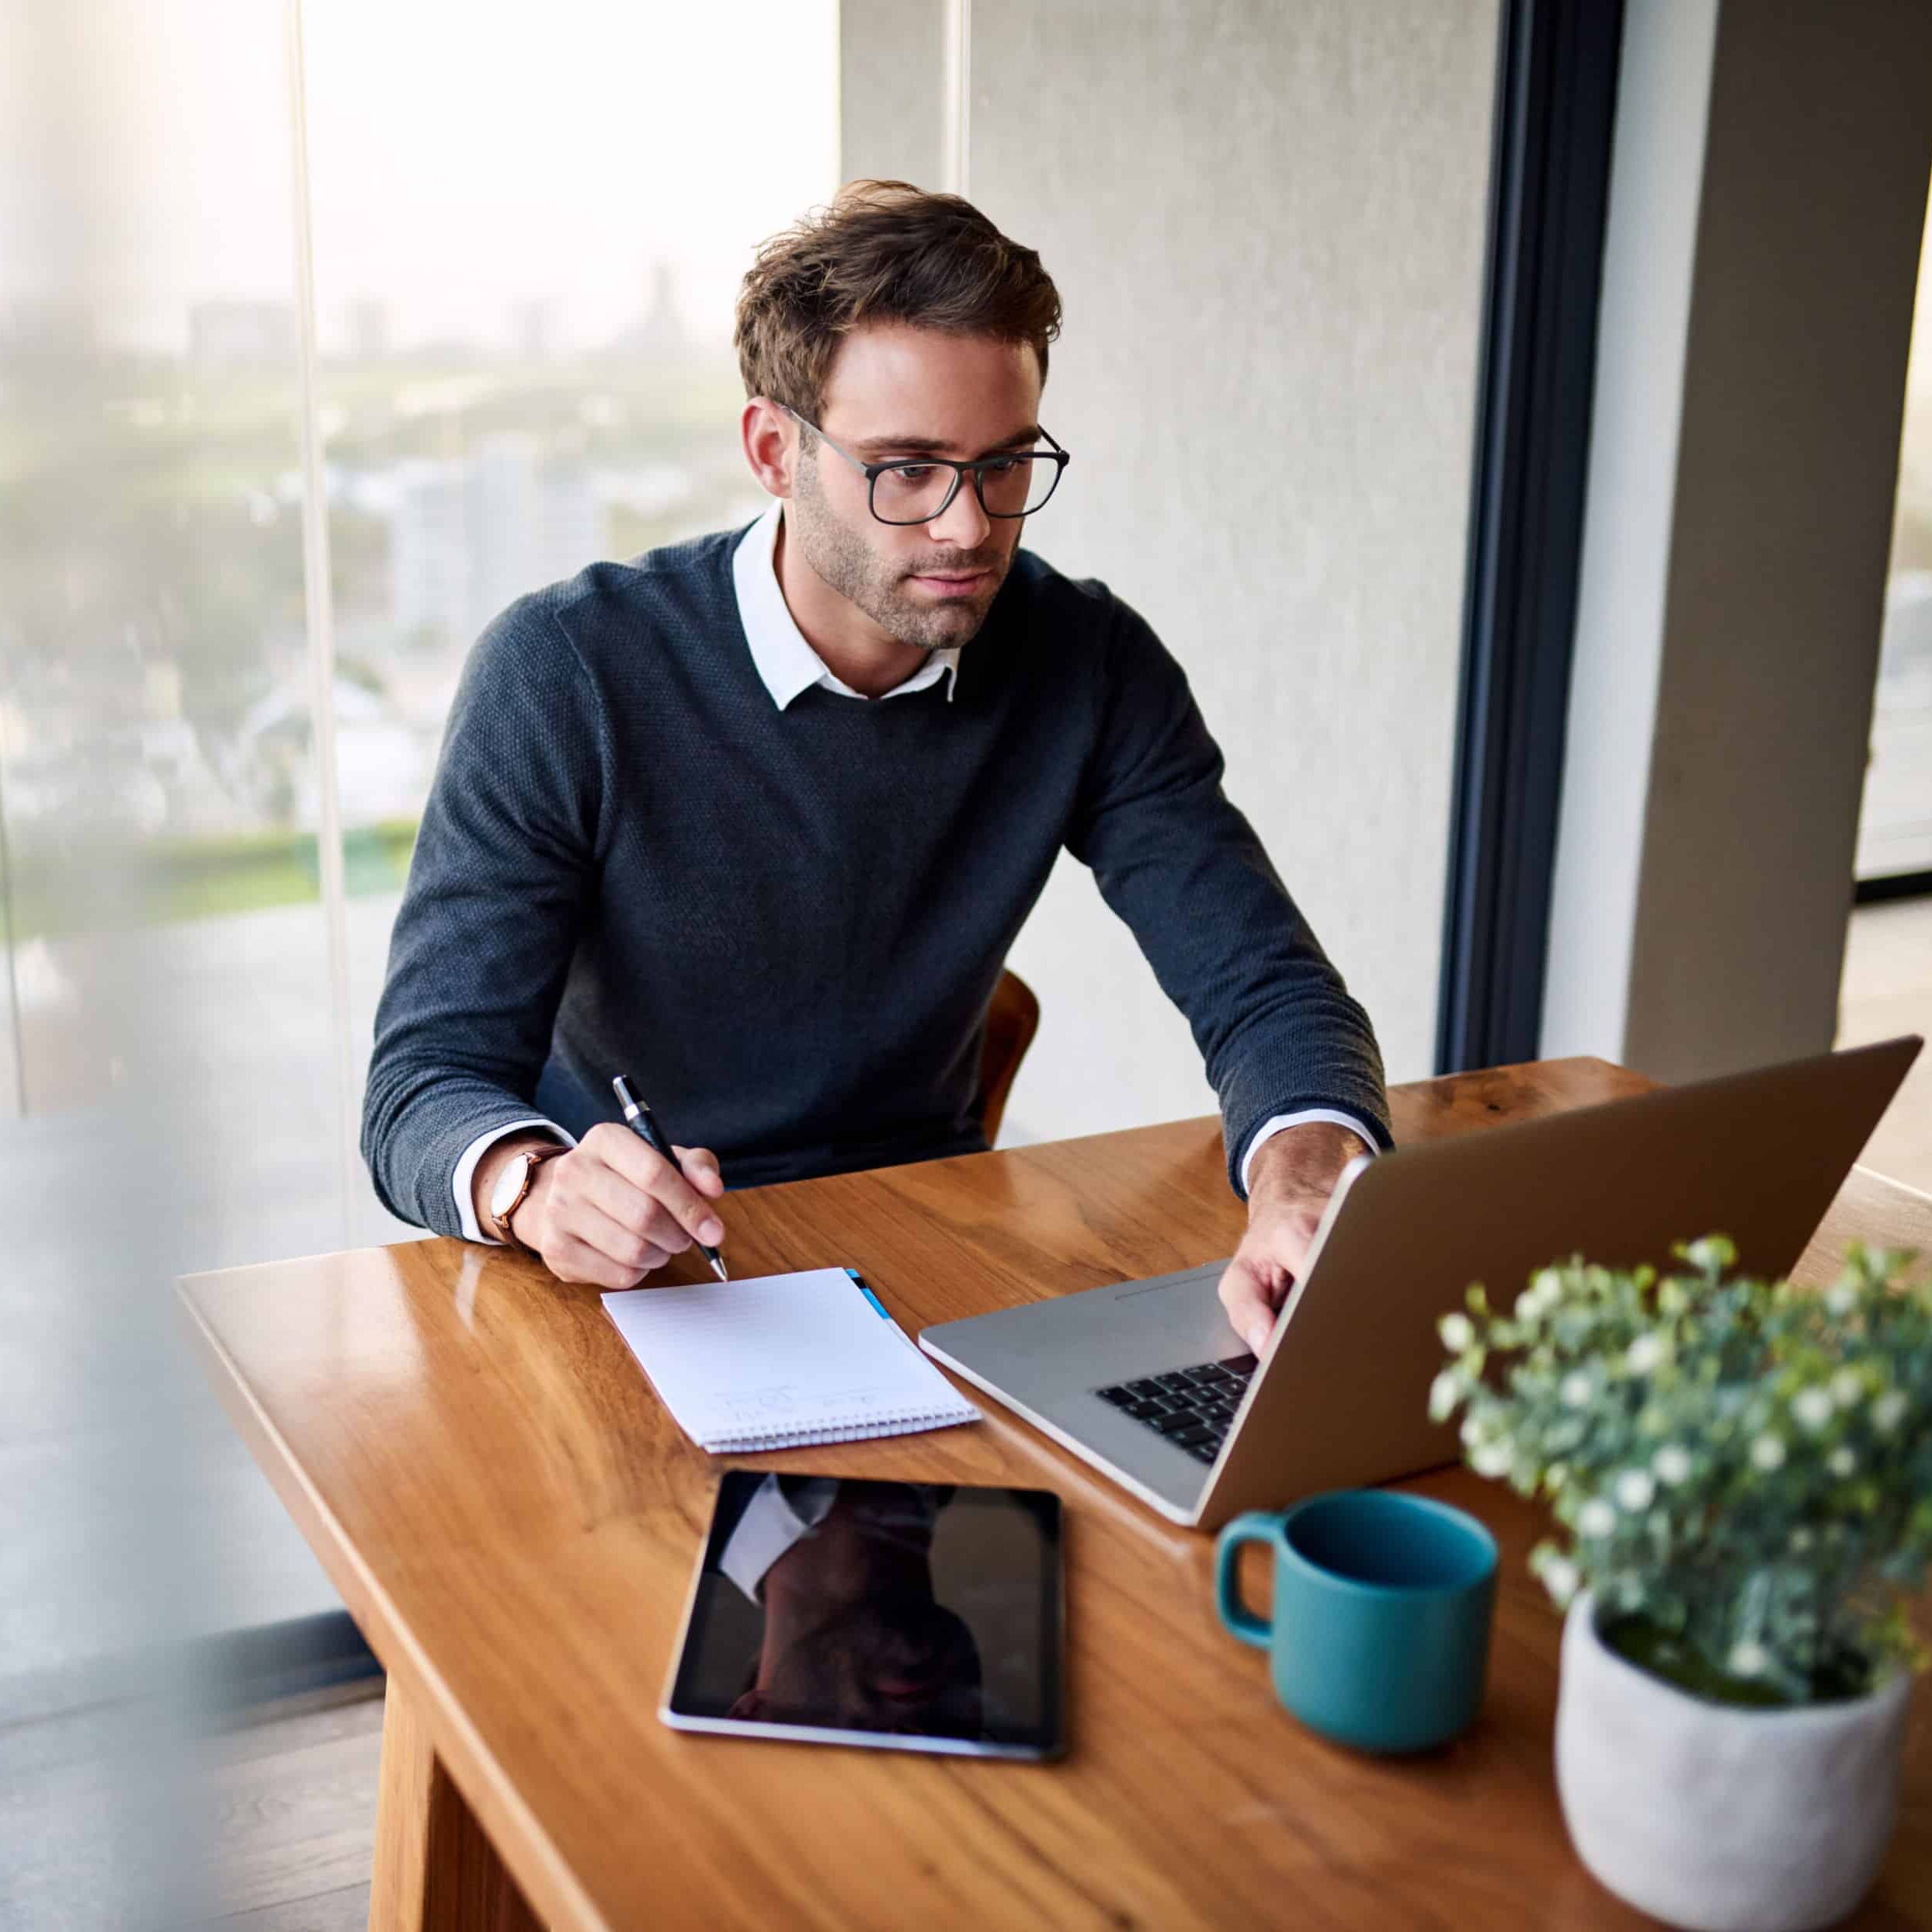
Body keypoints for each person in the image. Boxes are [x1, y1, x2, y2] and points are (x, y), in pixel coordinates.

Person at [360, 179, 1391, 1356]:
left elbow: (1267, 987)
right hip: (624, 1285)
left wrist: (1306, 1185)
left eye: (1006, 465)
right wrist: (536, 1189)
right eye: (906, 468)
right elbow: (422, 1087)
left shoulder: (1089, 663)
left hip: (923, 1254)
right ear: (773, 450)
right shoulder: (566, 672)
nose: (968, 526)